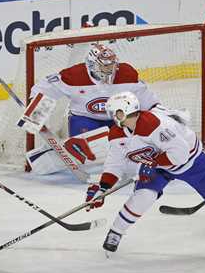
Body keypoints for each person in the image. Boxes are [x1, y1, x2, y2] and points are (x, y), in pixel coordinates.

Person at [85, 91, 205, 254]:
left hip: (193, 162)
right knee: (143, 196)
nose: (112, 117)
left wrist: (153, 163)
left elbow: (179, 155)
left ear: (125, 111)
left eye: (116, 113)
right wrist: (103, 187)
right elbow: (115, 162)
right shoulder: (118, 134)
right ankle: (116, 232)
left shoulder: (155, 125)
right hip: (160, 166)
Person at [21, 43, 160, 175]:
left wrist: (158, 115)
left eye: (112, 65)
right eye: (105, 66)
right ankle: (44, 158)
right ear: (93, 65)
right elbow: (46, 87)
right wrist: (36, 112)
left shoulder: (126, 74)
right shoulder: (75, 76)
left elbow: (145, 97)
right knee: (88, 149)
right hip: (84, 119)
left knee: (131, 142)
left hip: (117, 119)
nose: (110, 69)